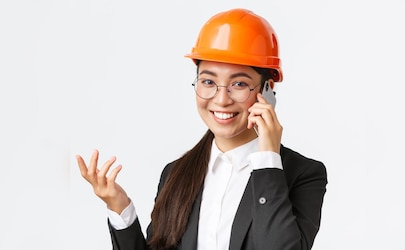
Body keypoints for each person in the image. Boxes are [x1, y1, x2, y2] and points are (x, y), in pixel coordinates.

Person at [76, 8, 328, 250]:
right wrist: (120, 209)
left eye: (239, 83)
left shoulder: (302, 174)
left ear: (267, 90)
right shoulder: (176, 173)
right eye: (208, 81)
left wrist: (268, 161)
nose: (221, 99)